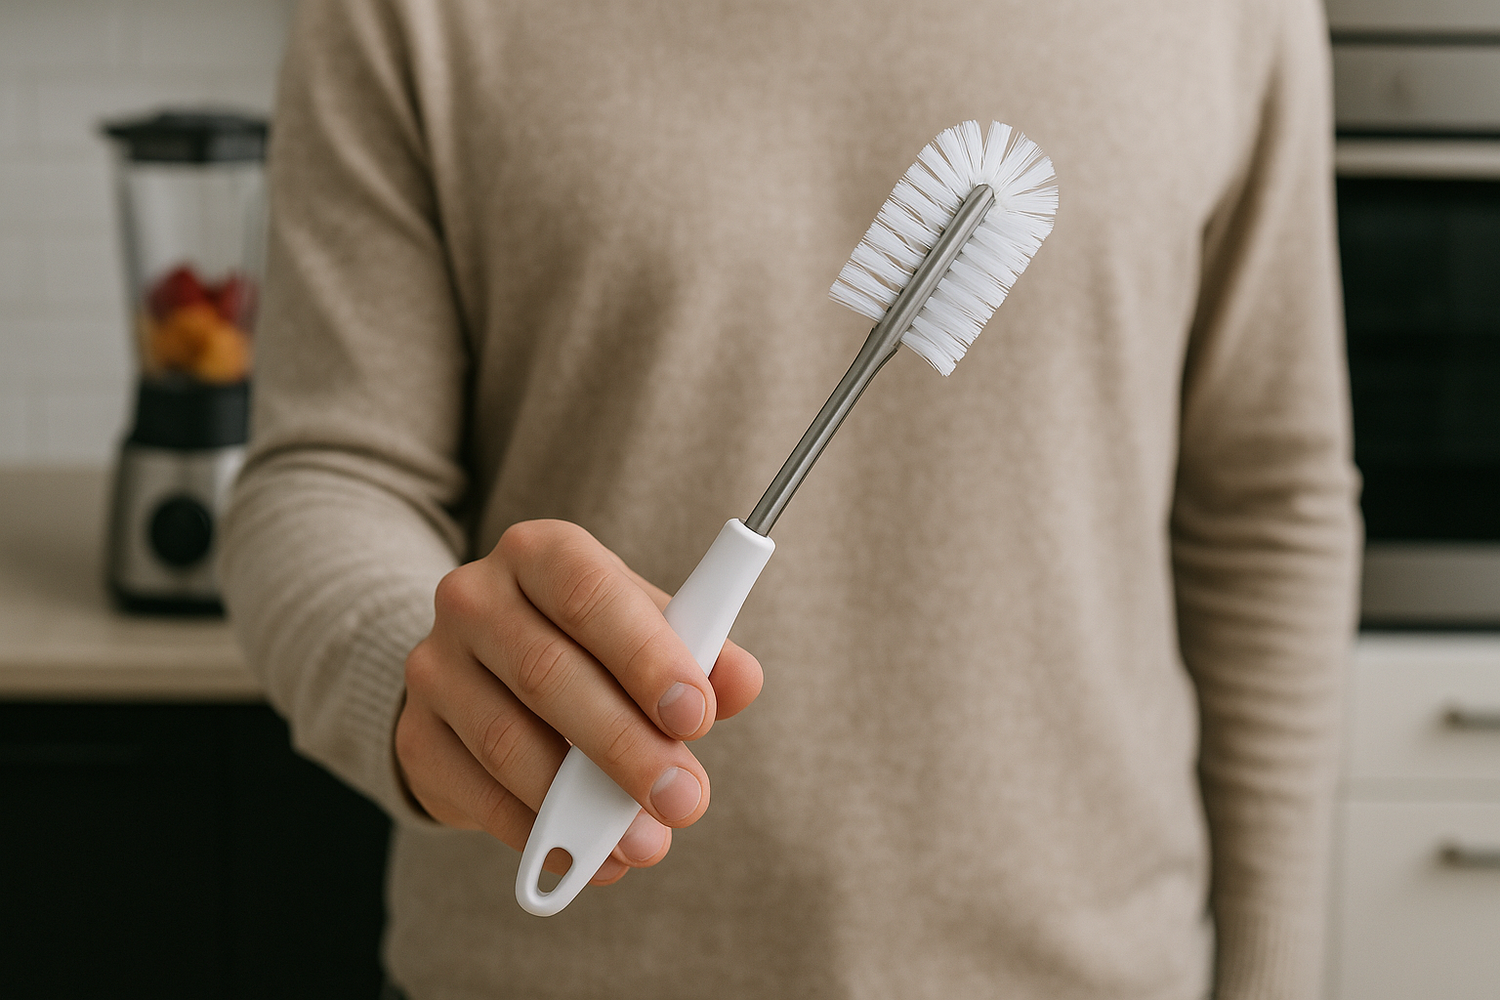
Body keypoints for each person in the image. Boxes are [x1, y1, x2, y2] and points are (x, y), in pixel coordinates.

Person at [220, 0, 1361, 996]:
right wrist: (434, 687)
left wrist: (1271, 975)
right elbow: (328, 474)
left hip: (1089, 971)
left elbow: (1269, 504)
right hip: (549, 969)